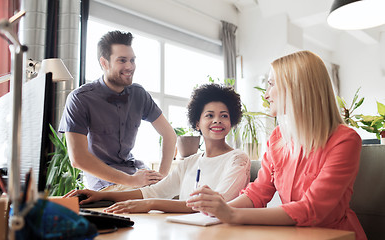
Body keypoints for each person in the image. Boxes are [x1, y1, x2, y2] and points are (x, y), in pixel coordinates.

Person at [186, 51, 367, 240]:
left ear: (295, 88)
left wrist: (230, 214)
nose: (265, 95)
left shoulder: (345, 140)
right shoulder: (277, 138)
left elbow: (312, 209)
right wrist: (218, 210)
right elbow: (257, 193)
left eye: (271, 84)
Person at [64, 83, 250, 213]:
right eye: (209, 115)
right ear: (197, 123)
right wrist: (99, 195)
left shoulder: (238, 159)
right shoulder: (189, 163)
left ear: (231, 122)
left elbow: (217, 204)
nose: (217, 120)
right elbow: (153, 191)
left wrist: (151, 204)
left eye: (224, 116)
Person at [58, 30, 177, 191]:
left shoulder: (139, 94)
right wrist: (131, 181)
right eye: (122, 60)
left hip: (135, 171)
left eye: (132, 60)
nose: (130, 66)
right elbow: (78, 159)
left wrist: (161, 176)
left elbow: (169, 135)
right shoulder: (80, 99)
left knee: (182, 194)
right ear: (104, 63)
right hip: (104, 180)